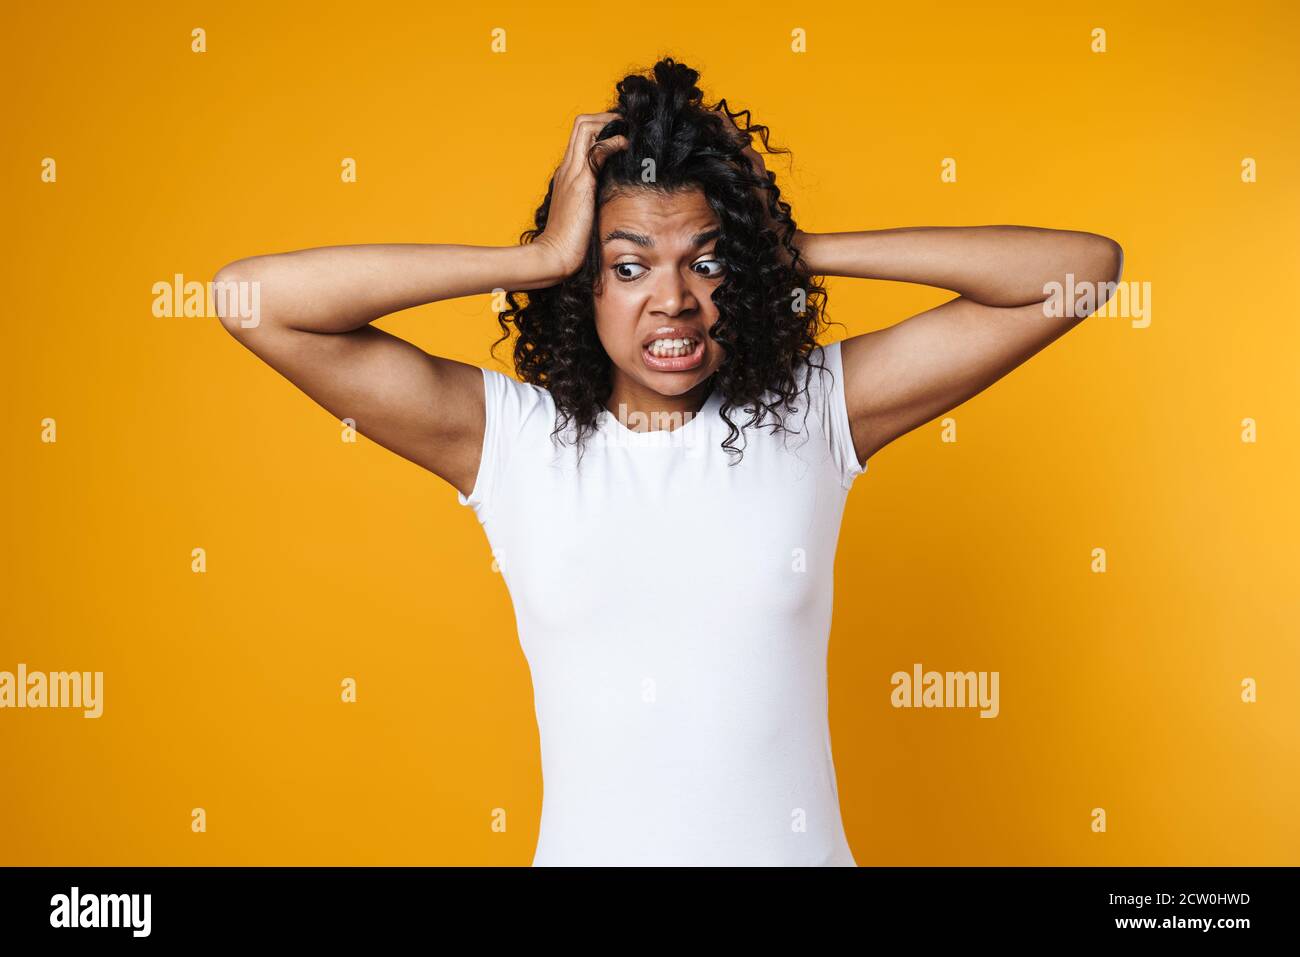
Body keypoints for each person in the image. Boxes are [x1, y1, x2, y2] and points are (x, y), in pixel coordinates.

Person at [213, 57, 1122, 865]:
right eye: (630, 265)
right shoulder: (512, 441)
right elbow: (252, 299)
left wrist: (781, 249)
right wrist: (532, 257)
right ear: (587, 284)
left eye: (707, 262)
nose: (674, 301)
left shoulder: (810, 415)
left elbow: (1080, 269)